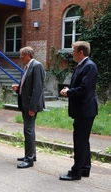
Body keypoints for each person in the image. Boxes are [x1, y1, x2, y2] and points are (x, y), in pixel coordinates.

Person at [59, 41, 98, 181]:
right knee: (83, 141)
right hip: (83, 110)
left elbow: (84, 88)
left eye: (73, 50)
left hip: (85, 110)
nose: (71, 53)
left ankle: (76, 172)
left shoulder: (89, 66)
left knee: (80, 141)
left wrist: (68, 92)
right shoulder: (82, 65)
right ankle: (85, 168)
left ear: (81, 52)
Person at [12, 46, 45, 168]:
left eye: (22, 55)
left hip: (31, 105)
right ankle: (31, 154)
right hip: (25, 103)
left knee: (28, 131)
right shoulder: (27, 67)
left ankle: (29, 159)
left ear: (28, 55)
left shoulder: (37, 66)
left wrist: (33, 107)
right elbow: (27, 85)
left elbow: (38, 88)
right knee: (29, 131)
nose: (20, 57)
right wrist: (18, 88)